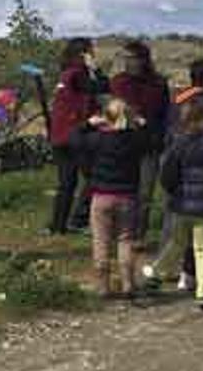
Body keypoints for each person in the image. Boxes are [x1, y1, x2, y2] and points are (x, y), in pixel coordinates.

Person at [143, 99, 203, 311]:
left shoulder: (179, 143)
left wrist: (173, 191)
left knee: (176, 243)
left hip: (181, 202)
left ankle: (156, 275)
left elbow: (167, 174)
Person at [70, 99, 149, 298]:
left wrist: (88, 124)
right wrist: (141, 123)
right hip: (128, 196)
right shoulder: (135, 140)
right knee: (126, 240)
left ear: (107, 117)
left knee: (101, 240)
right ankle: (128, 282)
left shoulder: (97, 139)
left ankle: (102, 285)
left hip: (101, 195)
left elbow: (74, 139)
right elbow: (152, 140)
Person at [165, 58, 203, 291]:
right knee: (201, 231)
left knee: (174, 224)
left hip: (175, 164)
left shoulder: (178, 98)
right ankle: (192, 275)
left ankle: (170, 270)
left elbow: (168, 130)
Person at [110, 41, 170, 245]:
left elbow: (164, 114)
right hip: (122, 143)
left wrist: (162, 137)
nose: (129, 62)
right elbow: (112, 111)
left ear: (144, 60)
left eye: (133, 58)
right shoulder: (118, 82)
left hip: (150, 144)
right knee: (121, 190)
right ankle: (119, 232)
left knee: (144, 193)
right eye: (126, 58)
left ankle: (138, 235)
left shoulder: (159, 83)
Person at [48, 38, 109, 235]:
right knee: (95, 176)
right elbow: (102, 87)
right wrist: (95, 69)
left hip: (60, 136)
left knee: (66, 183)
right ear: (83, 54)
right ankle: (79, 220)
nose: (94, 54)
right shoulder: (78, 75)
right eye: (91, 51)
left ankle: (58, 226)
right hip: (76, 135)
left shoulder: (65, 75)